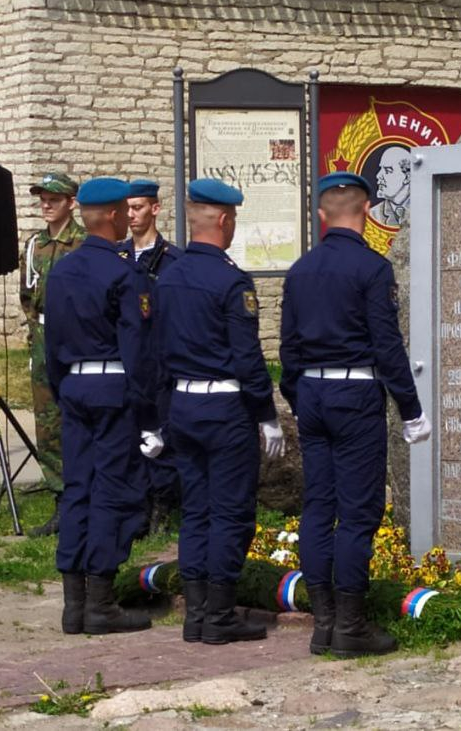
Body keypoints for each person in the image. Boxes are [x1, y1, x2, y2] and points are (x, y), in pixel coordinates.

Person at [279, 172, 432, 657]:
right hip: (355, 394)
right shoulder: (372, 269)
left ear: (322, 214)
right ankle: (351, 626)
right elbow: (387, 346)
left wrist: (297, 396)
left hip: (312, 395)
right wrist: (411, 408)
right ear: (366, 211)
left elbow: (288, 347)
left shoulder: (300, 269)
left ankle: (323, 624)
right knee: (359, 511)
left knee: (319, 507)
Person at [154, 178, 284, 645]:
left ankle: (196, 614)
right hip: (225, 407)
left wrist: (161, 417)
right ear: (225, 220)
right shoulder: (230, 280)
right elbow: (248, 358)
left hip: (184, 405)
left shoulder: (167, 276)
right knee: (230, 512)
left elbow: (158, 354)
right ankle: (221, 614)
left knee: (197, 511)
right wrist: (266, 415)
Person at [44, 176, 160, 636]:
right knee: (113, 490)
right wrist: (149, 414)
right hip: (114, 391)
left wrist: (63, 388)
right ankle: (101, 603)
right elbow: (138, 348)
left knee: (78, 488)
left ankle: (73, 605)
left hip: (73, 388)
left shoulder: (63, 270)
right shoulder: (123, 272)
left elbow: (51, 345)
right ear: (113, 216)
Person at [19, 172, 86, 537]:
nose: (46, 205)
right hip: (44, 337)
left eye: (54, 200)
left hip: (76, 339)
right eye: (43, 199)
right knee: (47, 424)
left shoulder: (84, 243)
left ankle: (88, 497)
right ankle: (61, 501)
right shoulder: (34, 245)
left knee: (79, 417)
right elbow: (26, 296)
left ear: (71, 203)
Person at [117, 178, 182, 536]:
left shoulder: (172, 259)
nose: (132, 214)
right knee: (130, 433)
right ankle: (135, 507)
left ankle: (163, 504)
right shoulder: (119, 256)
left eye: (138, 207)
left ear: (155, 209)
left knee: (162, 432)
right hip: (127, 358)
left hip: (160, 358)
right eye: (127, 208)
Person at [369, 146, 411, 227]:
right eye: (380, 169)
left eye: (388, 171)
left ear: (407, 177)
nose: (378, 176)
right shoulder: (373, 214)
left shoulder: (424, 211)